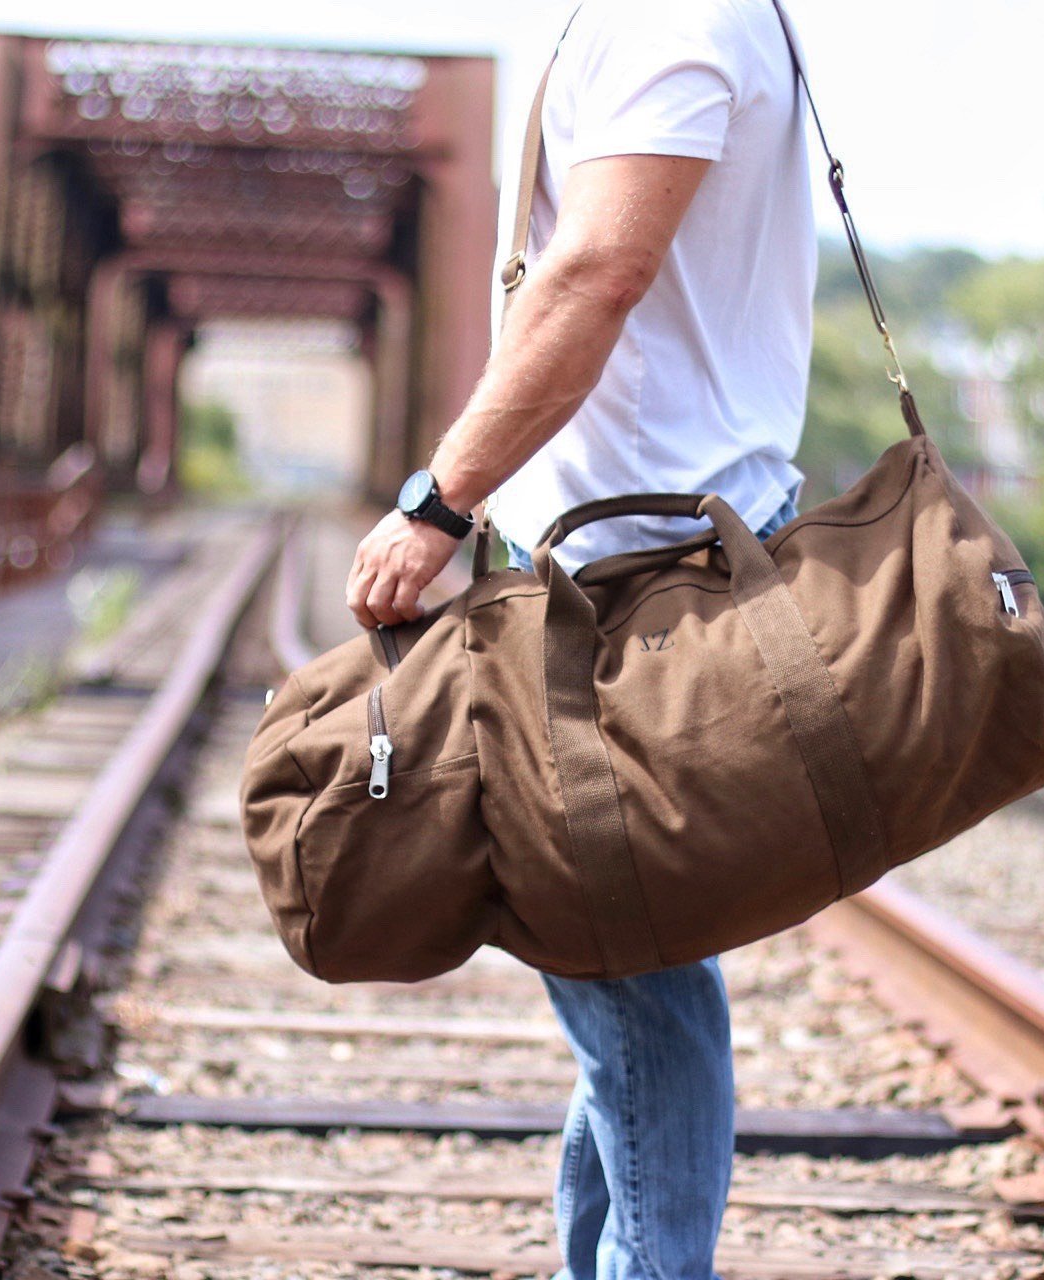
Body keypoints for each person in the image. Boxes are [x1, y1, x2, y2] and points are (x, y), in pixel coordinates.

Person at [346, 0, 816, 1274]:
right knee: (610, 955)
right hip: (634, 547)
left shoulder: (670, 17)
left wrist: (441, 500)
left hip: (641, 570)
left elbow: (600, 268)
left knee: (627, 961)